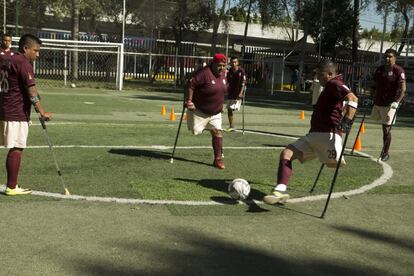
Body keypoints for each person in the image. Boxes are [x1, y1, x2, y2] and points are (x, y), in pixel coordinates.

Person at [263, 60, 358, 205]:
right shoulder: (329, 87)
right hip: (314, 135)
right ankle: (279, 191)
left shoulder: (335, 83)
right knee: (286, 153)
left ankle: (337, 155)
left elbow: (353, 98)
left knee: (333, 163)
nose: (318, 78)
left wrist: (347, 122)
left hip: (326, 135)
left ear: (330, 74)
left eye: (320, 75)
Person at [0, 34, 52, 195]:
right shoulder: (24, 63)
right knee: (17, 147)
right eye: (36, 50)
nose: (38, 54)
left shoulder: (9, 59)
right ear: (26, 48)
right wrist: (41, 111)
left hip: (4, 107)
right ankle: (12, 186)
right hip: (15, 111)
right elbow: (31, 90)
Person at [186, 53, 227, 169]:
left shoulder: (223, 74)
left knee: (217, 132)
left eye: (224, 65)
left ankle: (218, 159)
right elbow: (191, 85)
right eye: (220, 65)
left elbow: (222, 90)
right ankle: (208, 128)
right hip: (199, 111)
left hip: (215, 113)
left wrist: (221, 104)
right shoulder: (204, 73)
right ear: (213, 63)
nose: (222, 68)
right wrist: (189, 101)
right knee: (195, 131)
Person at [370, 48, 406, 162]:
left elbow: (403, 89)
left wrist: (397, 102)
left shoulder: (399, 71)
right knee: (382, 127)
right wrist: (372, 96)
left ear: (395, 58)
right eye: (386, 56)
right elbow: (374, 85)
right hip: (378, 102)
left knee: (386, 129)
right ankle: (385, 150)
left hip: (391, 104)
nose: (387, 58)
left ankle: (385, 153)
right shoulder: (380, 69)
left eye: (390, 56)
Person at [226, 56, 246, 131]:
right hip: (231, 92)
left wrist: (241, 93)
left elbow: (243, 83)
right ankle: (232, 126)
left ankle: (232, 126)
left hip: (238, 93)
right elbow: (227, 81)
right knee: (229, 109)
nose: (233, 63)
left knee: (232, 108)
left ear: (237, 63)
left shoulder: (241, 71)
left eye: (235, 62)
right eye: (232, 62)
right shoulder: (230, 71)